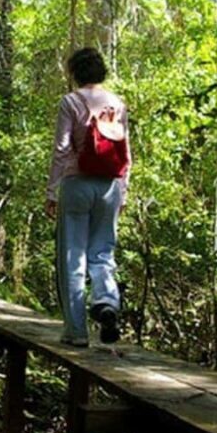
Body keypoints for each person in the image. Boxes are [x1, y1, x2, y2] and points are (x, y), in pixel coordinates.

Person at [46, 47, 131, 347]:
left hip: (76, 183)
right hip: (109, 186)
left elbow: (61, 149)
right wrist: (123, 190)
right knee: (103, 252)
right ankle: (107, 301)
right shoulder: (118, 104)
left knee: (73, 258)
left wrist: (51, 191)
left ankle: (76, 332)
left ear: (75, 73)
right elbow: (126, 154)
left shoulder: (70, 101)